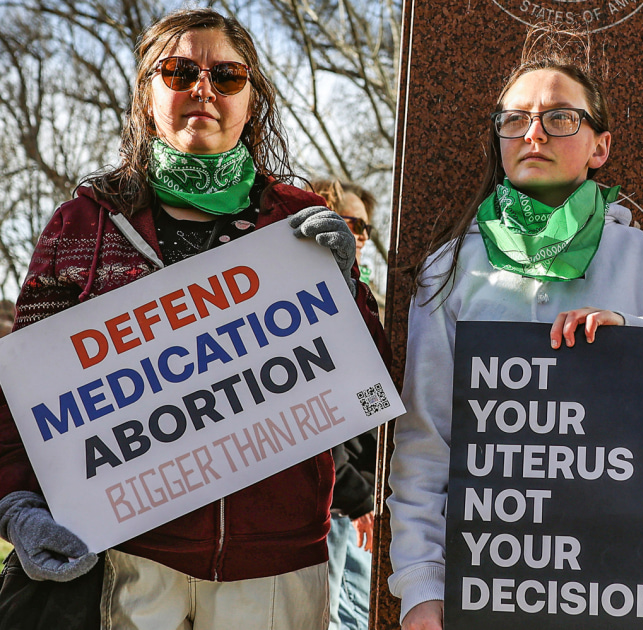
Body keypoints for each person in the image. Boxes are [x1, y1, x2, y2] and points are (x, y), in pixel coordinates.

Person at [0, 9, 387, 629]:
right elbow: (24, 392)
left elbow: (367, 383)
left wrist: (350, 290)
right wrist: (18, 501)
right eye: (179, 72)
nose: (202, 89)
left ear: (251, 100)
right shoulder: (81, 226)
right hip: (128, 552)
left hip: (279, 562)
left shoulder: (299, 219)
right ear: (146, 95)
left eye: (227, 77)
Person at [385, 29, 643, 630]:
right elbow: (424, 441)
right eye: (515, 119)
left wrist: (632, 343)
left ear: (600, 146)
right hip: (487, 582)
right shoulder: (451, 267)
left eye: (560, 117)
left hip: (611, 588)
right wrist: (418, 586)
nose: (533, 133)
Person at [308, 178, 380, 630]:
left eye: (367, 228)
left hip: (360, 505)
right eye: (352, 222)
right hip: (333, 505)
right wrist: (354, 494)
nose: (361, 235)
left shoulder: (365, 301)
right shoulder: (308, 301)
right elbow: (311, 413)